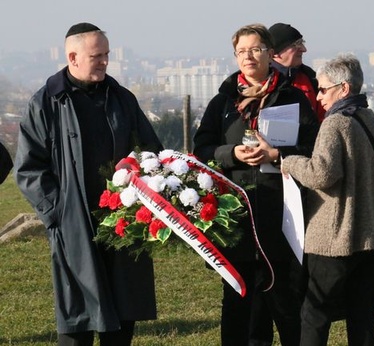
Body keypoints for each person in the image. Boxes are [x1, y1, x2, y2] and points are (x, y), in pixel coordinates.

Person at [14, 23, 162, 346]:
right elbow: (27, 169)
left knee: (123, 322)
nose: (105, 62)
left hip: (123, 227)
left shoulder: (123, 99)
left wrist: (140, 205)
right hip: (75, 229)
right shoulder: (46, 104)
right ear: (73, 57)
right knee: (76, 322)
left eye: (107, 55)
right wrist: (59, 213)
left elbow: (152, 153)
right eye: (97, 56)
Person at [193, 23, 319, 346]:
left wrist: (277, 154)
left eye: (256, 49)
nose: (248, 56)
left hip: (281, 219)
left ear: (269, 53)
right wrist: (231, 153)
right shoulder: (222, 102)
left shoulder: (291, 97)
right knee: (237, 308)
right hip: (236, 221)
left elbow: (314, 147)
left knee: (287, 306)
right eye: (241, 51)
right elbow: (202, 150)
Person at [281, 54, 374, 346]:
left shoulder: (334, 124)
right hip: (371, 236)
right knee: (362, 313)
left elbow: (321, 174)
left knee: (315, 312)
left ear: (343, 89)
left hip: (334, 239)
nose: (319, 97)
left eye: (323, 89)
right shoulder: (369, 118)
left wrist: (289, 161)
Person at [268, 23, 326, 122]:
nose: (304, 49)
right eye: (296, 44)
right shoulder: (260, 79)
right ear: (275, 53)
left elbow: (323, 116)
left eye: (302, 43)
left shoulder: (311, 78)